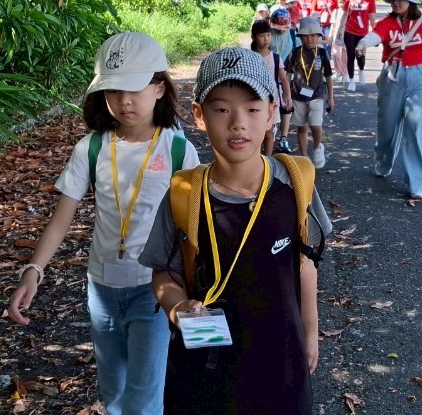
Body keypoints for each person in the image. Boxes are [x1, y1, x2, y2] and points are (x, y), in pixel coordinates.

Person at [8, 31, 200, 415]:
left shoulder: (179, 150)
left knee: (144, 399)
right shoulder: (91, 148)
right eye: (113, 91)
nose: (124, 100)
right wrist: (33, 271)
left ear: (160, 89)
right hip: (101, 291)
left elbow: (195, 227)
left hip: (154, 291)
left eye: (134, 88)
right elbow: (62, 217)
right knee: (114, 394)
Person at [139, 46, 332, 415]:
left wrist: (310, 332)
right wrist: (177, 305)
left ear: (272, 114)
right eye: (222, 108)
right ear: (199, 115)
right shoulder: (185, 195)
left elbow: (306, 263)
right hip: (205, 368)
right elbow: (163, 271)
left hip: (282, 362)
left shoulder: (295, 184)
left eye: (253, 108)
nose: (237, 122)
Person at [355, 0, 422, 201]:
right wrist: (363, 43)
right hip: (393, 76)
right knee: (387, 126)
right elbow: (375, 35)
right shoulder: (387, 23)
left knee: (417, 128)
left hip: (420, 78)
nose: (395, 2)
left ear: (411, 1)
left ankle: (417, 184)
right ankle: (383, 163)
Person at [286, 17, 333, 168]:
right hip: (298, 95)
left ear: (318, 36)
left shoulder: (322, 53)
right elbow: (287, 73)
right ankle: (304, 156)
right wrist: (286, 94)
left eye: (313, 35)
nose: (310, 39)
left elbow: (328, 75)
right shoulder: (295, 53)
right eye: (306, 35)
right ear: (300, 37)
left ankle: (318, 147)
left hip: (318, 94)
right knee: (301, 127)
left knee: (316, 125)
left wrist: (331, 97)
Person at [251, 19, 293, 156]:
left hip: (272, 101)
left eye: (268, 35)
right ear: (254, 37)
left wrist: (288, 96)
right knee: (256, 133)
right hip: (254, 100)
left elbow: (283, 79)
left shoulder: (275, 58)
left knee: (269, 134)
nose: (266, 39)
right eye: (262, 36)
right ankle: (255, 160)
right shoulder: (250, 57)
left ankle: (268, 161)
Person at [342, 0, 377, 93]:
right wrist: (339, 30)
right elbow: (344, 15)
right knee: (350, 56)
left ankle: (361, 69)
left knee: (360, 54)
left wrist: (376, 33)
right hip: (349, 31)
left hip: (362, 33)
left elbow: (372, 17)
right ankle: (352, 80)